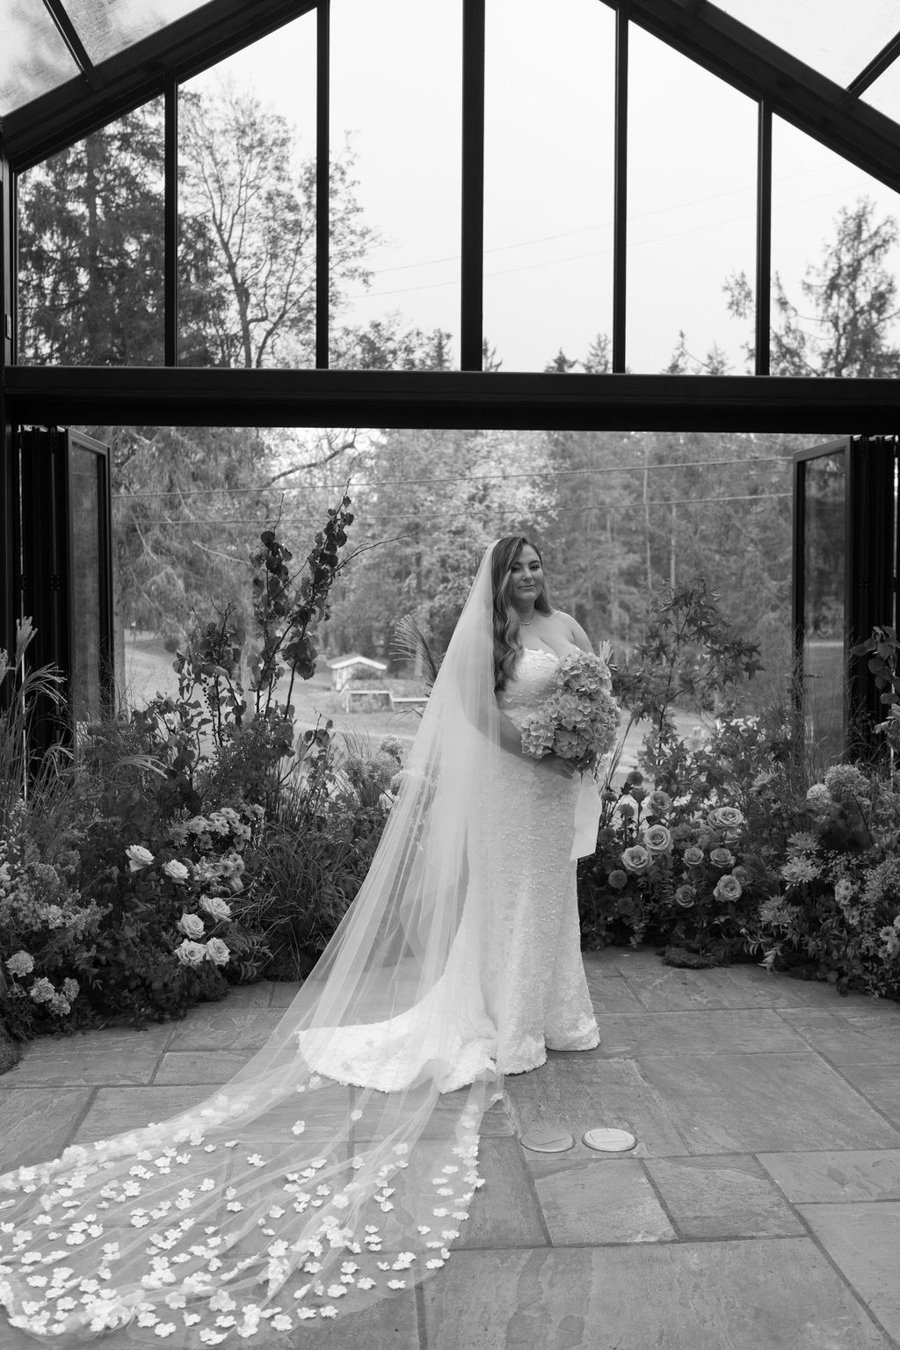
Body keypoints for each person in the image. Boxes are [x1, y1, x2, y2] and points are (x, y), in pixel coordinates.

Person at [0, 537, 607, 1346]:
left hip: (554, 788)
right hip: (513, 784)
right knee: (509, 900)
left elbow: (594, 694)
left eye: (537, 563)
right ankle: (509, 1017)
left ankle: (558, 1012)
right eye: (518, 566)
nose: (531, 575)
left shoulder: (566, 625)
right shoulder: (485, 638)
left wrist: (584, 738)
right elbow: (476, 715)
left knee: (552, 897)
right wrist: (538, 745)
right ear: (500, 578)